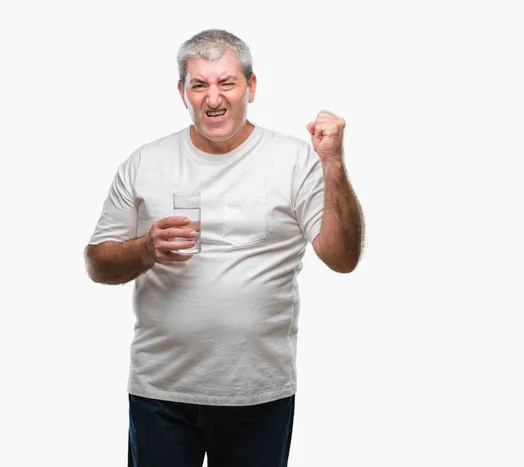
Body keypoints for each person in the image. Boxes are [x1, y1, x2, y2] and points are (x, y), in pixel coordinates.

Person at [84, 28, 364, 467]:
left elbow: (343, 258)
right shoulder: (146, 163)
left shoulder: (293, 160)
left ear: (250, 86)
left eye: (226, 83)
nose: (213, 98)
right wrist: (145, 250)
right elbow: (98, 263)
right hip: (161, 392)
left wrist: (334, 163)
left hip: (259, 394)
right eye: (199, 85)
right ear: (183, 92)